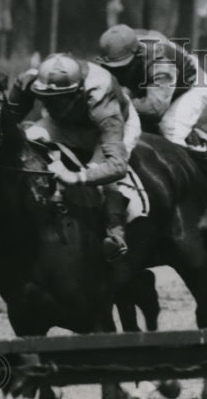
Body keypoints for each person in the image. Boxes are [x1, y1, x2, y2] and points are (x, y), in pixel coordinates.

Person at [8, 53, 141, 260]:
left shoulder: (101, 96)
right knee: (27, 141)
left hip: (108, 126)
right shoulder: (30, 80)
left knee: (101, 177)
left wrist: (76, 177)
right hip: (64, 125)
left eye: (62, 99)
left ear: (79, 91)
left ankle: (115, 233)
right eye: (49, 100)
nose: (55, 105)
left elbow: (117, 165)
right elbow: (8, 124)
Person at [97, 23, 207, 188]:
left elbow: (155, 109)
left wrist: (119, 102)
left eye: (122, 67)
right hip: (147, 79)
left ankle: (200, 175)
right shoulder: (117, 48)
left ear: (137, 55)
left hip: (190, 84)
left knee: (170, 127)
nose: (117, 73)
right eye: (112, 68)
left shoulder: (160, 61)